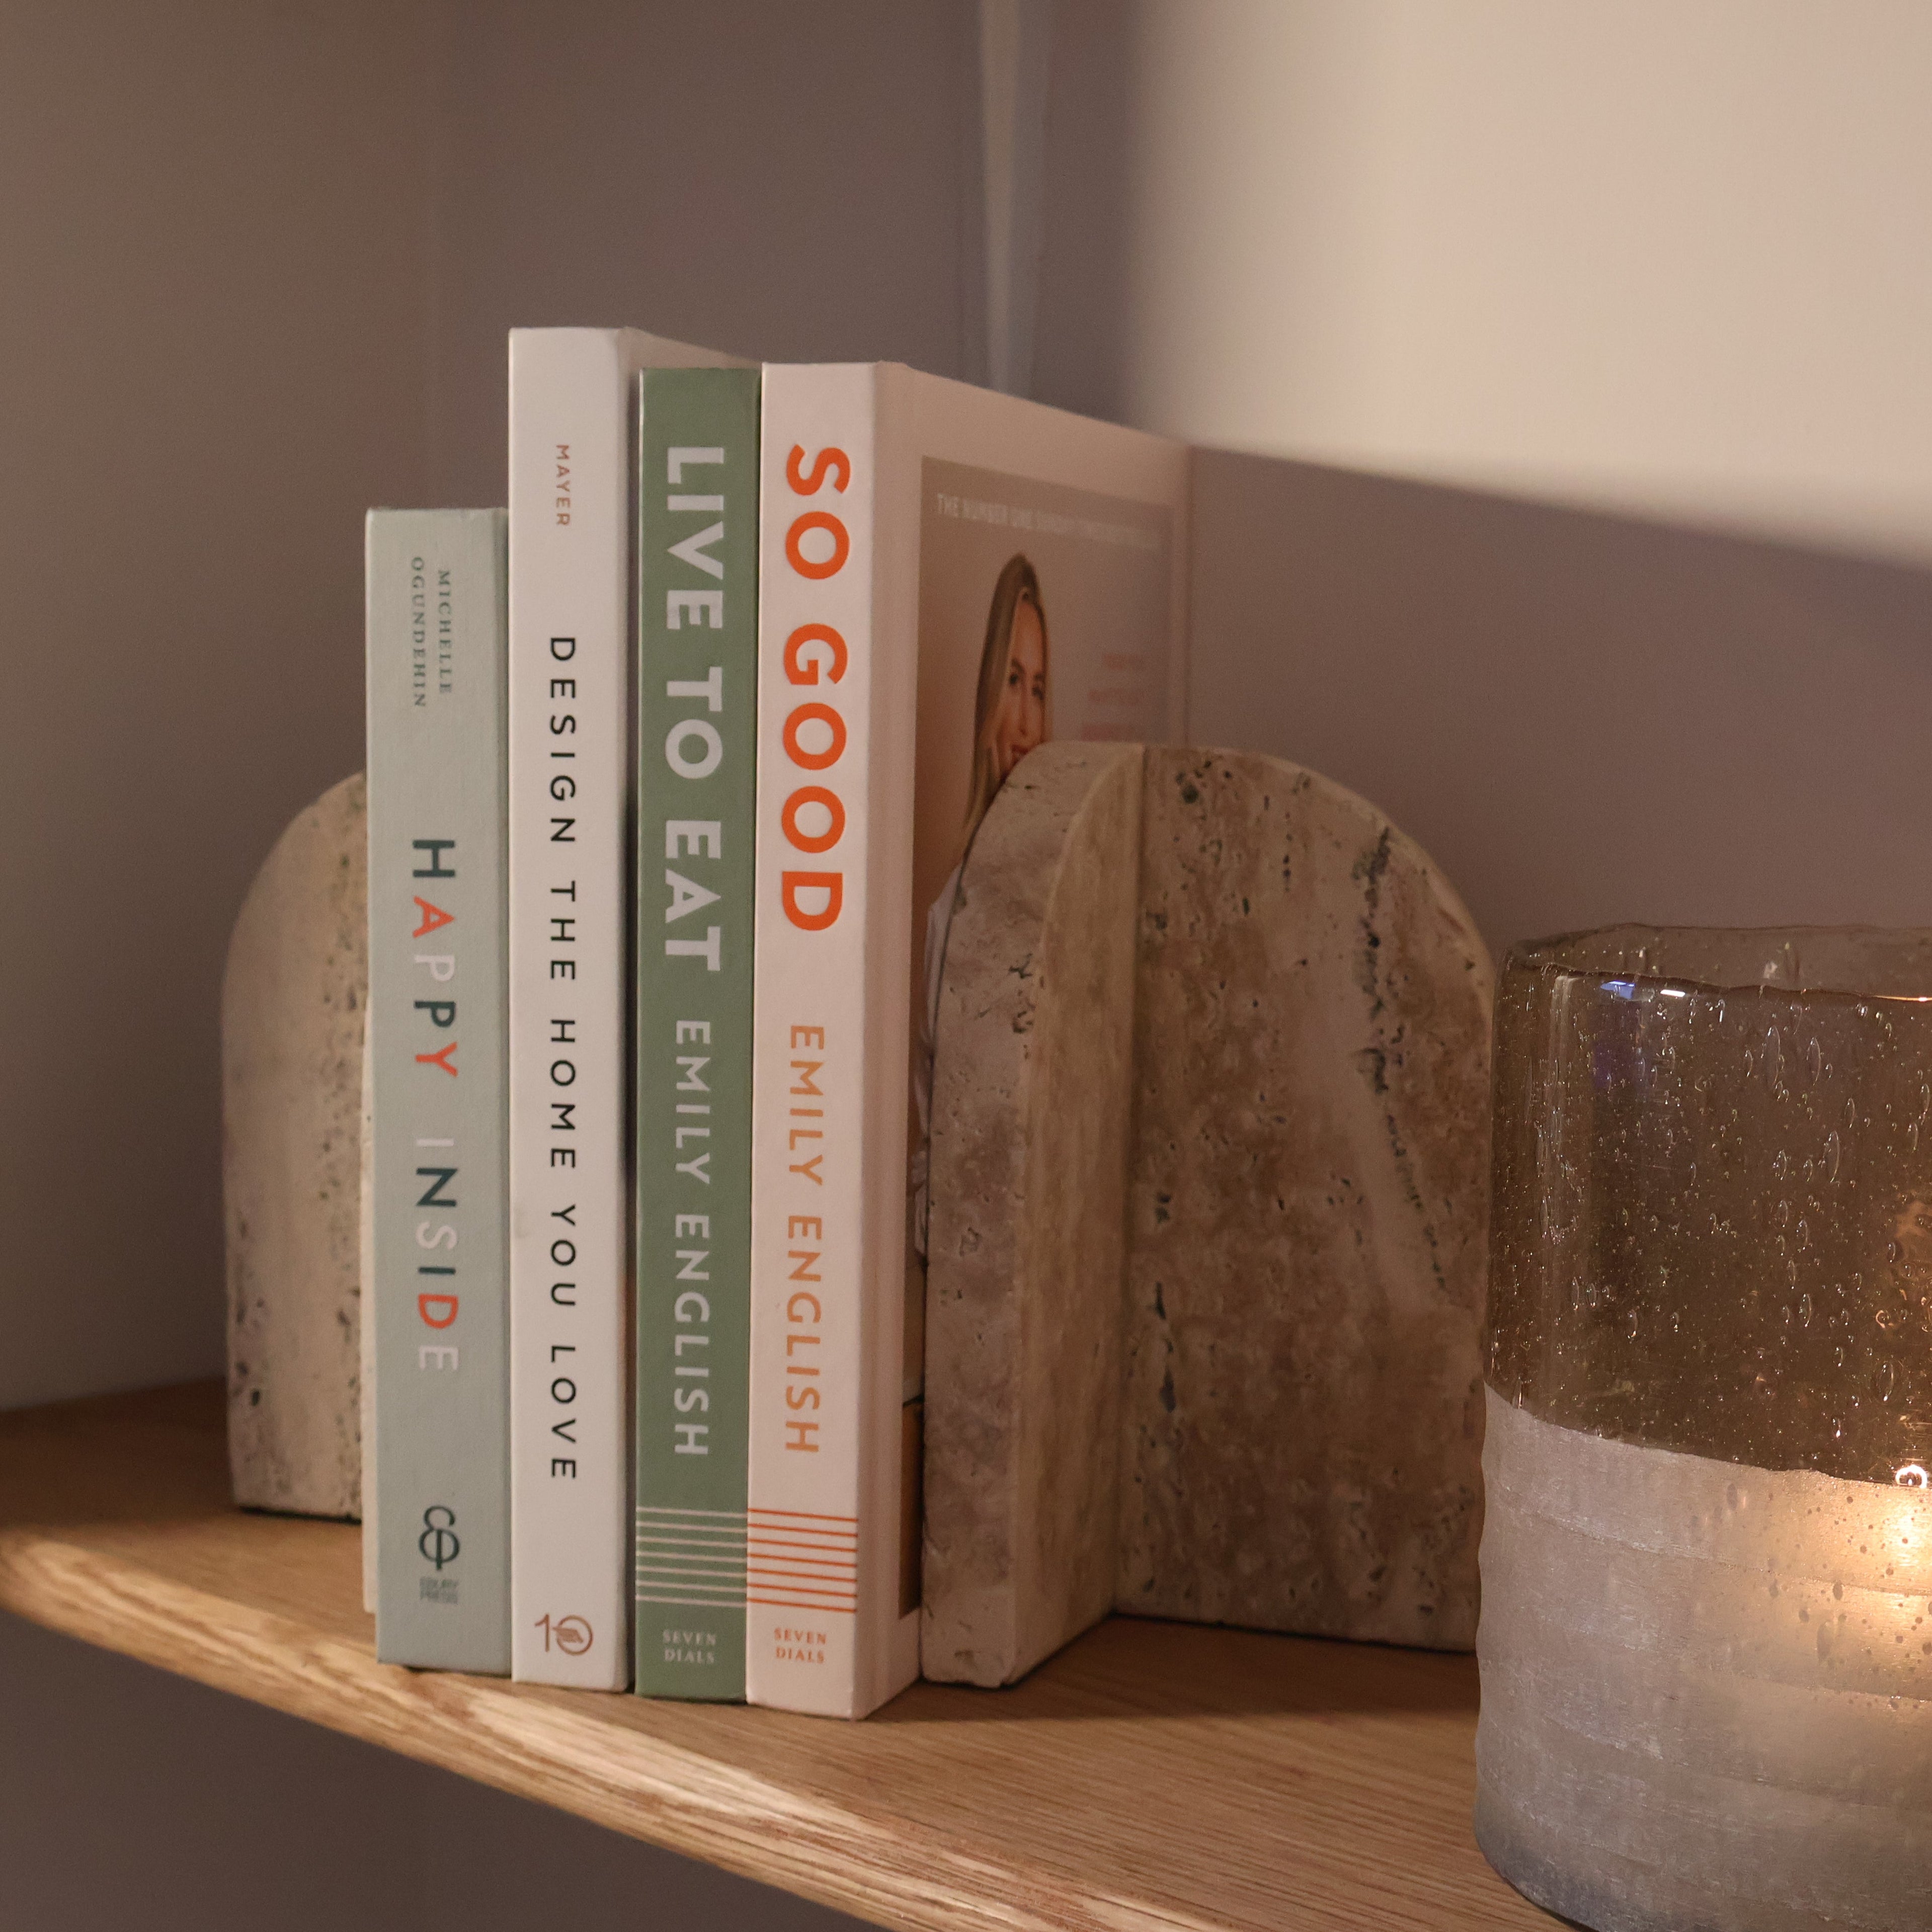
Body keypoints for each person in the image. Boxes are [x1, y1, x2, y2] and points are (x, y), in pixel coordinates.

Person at [908, 555, 1051, 1264]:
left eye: (1041, 689)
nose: (1026, 723)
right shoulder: (954, 917)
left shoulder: (1075, 896)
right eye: (1013, 684)